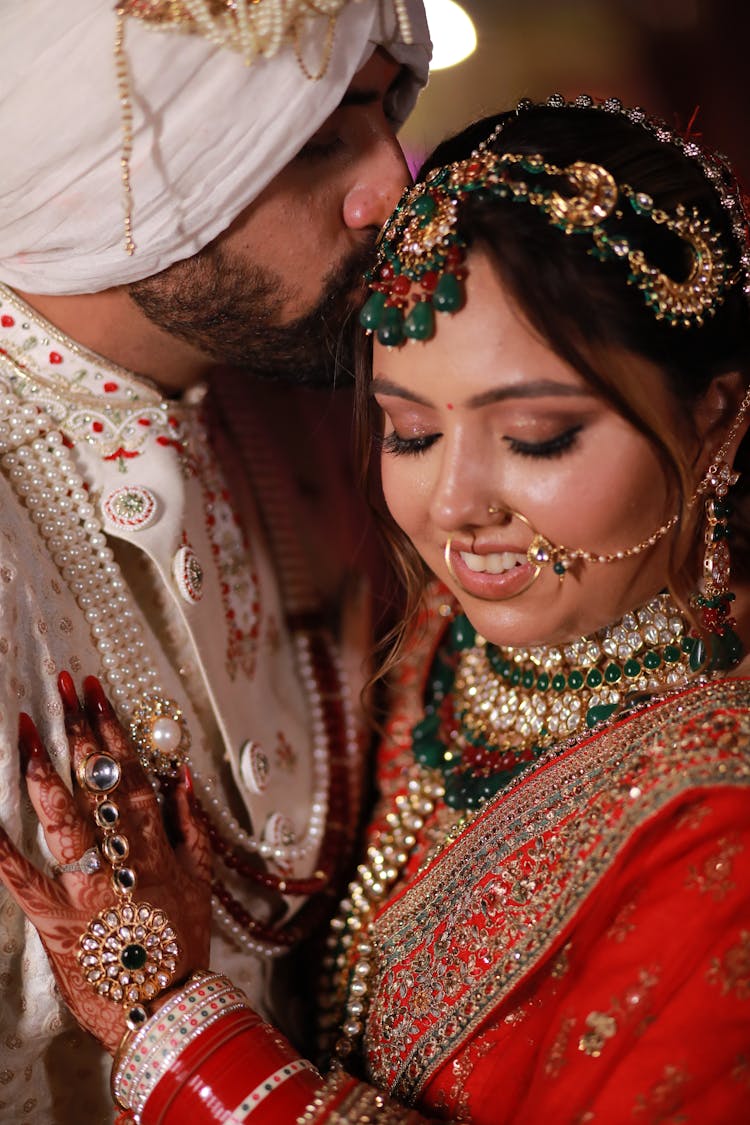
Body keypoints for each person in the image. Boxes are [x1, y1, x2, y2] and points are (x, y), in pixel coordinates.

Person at [3, 91, 750, 1123]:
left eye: (536, 437)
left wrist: (175, 1024)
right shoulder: (444, 643)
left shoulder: (720, 825)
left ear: (715, 420)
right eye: (407, 433)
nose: (453, 508)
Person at [0, 1, 430, 1120]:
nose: (396, 186)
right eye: (319, 136)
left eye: (392, 110)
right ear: (110, 161)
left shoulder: (325, 413)